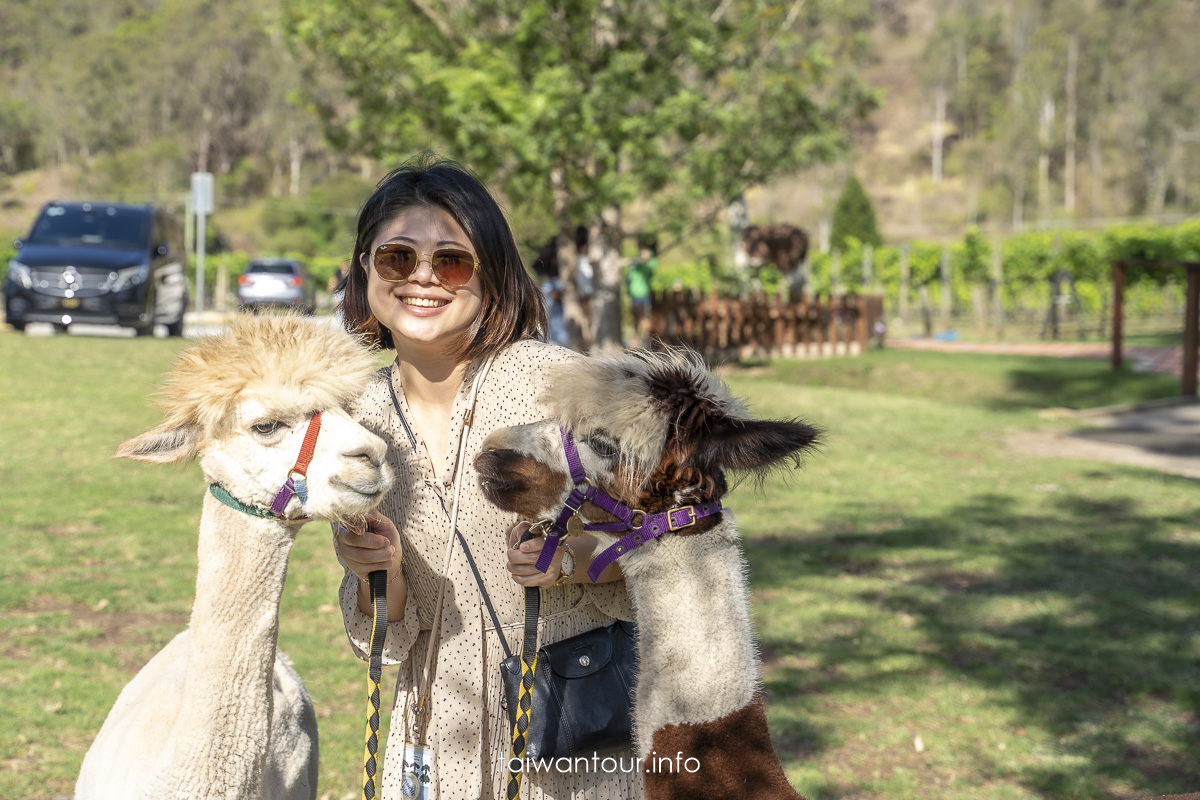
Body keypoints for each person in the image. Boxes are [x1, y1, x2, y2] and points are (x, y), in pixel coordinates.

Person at [332, 154, 641, 800]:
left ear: (492, 276)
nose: (423, 278)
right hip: (429, 745)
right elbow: (386, 628)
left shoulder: (562, 388)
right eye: (397, 258)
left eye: (451, 261)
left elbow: (660, 545)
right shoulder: (355, 421)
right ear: (366, 271)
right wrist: (372, 573)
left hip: (566, 750)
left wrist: (573, 561)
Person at [625, 237, 657, 346]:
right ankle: (635, 339)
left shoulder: (650, 260)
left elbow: (650, 268)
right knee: (636, 317)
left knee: (643, 316)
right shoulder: (636, 260)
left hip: (642, 292)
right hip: (634, 292)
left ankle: (646, 340)